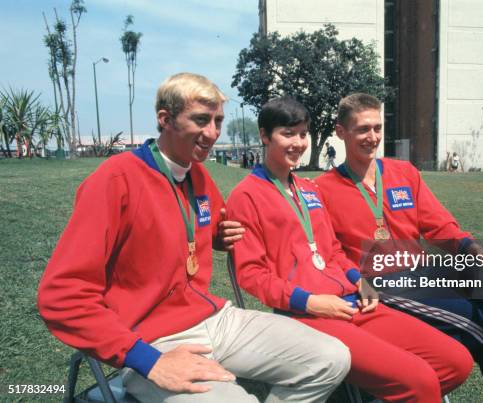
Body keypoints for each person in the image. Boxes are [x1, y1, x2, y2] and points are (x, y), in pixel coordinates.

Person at [37, 73, 351, 403]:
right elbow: (61, 295)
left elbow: (203, 224)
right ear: (165, 119)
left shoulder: (196, 173)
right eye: (201, 120)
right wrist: (149, 362)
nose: (213, 133)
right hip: (151, 338)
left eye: (217, 121)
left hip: (214, 318)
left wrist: (219, 235)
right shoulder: (114, 180)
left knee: (331, 358)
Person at [226, 97, 473, 403]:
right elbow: (251, 275)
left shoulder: (308, 189)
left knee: (456, 363)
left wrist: (359, 279)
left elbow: (332, 251)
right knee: (420, 380)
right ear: (264, 136)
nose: (298, 143)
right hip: (308, 315)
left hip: (355, 302)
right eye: (287, 134)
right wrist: (312, 302)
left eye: (303, 134)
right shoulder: (245, 196)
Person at [315, 93, 483, 403]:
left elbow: (439, 225)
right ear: (340, 132)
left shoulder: (404, 173)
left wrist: (477, 252)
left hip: (426, 276)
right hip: (381, 285)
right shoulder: (322, 189)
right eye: (362, 129)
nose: (372, 137)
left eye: (377, 128)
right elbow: (322, 250)